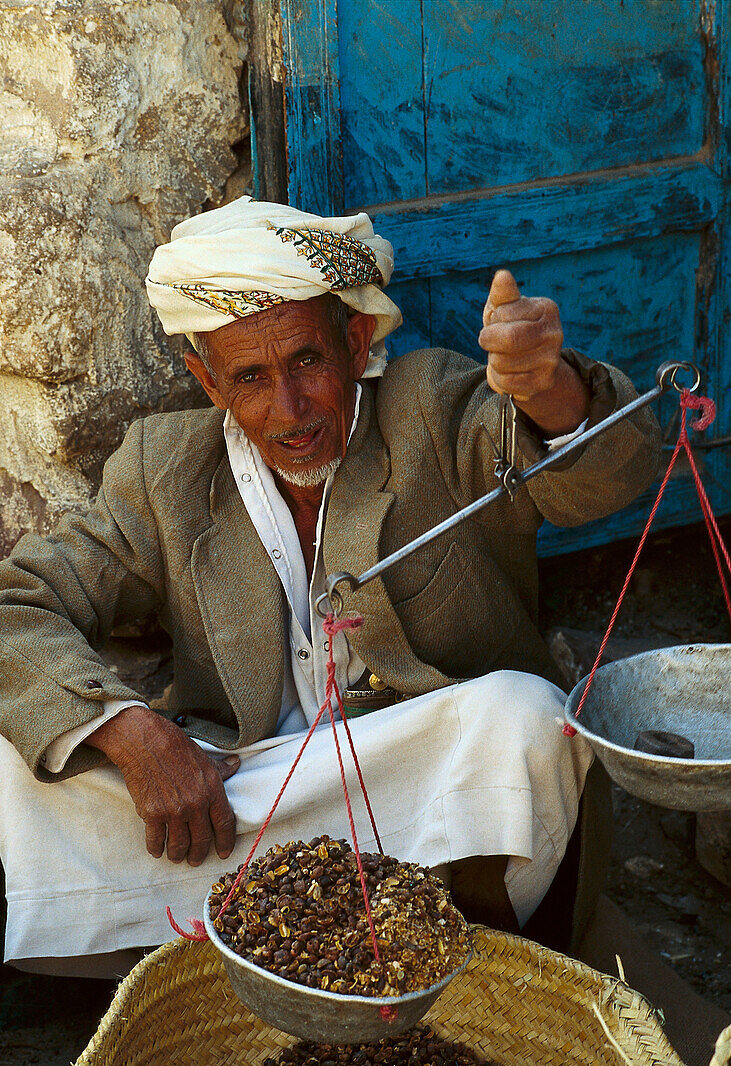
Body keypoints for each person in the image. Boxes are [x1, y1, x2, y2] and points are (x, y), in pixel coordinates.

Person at [0, 197, 660, 979]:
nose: (289, 409)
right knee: (20, 758)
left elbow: (593, 480)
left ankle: (434, 954)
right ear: (206, 380)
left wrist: (548, 393)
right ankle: (269, 955)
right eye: (249, 376)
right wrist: (132, 732)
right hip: (246, 795)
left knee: (523, 720)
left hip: (413, 787)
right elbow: (18, 606)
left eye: (307, 361)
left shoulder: (431, 407)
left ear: (354, 342)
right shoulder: (161, 470)